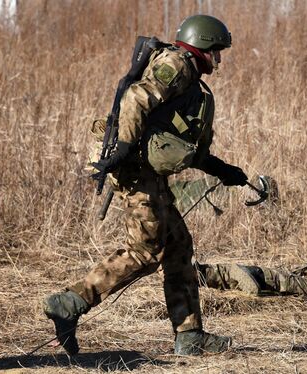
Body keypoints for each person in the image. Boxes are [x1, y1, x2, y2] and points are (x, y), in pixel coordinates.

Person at [43, 15, 248, 356]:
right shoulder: (177, 64)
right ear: (202, 46)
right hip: (136, 170)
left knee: (179, 245)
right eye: (217, 51)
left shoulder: (190, 77)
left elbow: (176, 137)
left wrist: (221, 169)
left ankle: (190, 336)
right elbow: (137, 98)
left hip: (145, 171)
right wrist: (123, 148)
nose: (219, 59)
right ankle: (69, 302)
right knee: (145, 250)